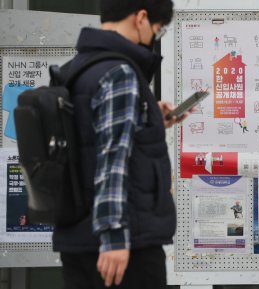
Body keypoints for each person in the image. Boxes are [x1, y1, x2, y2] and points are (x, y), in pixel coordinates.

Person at [51, 1, 189, 288]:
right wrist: (114, 237)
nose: (153, 38)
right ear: (141, 17)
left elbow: (90, 141)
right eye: (157, 29)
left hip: (78, 238)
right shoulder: (120, 72)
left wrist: (150, 118)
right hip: (123, 247)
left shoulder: (74, 69)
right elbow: (112, 158)